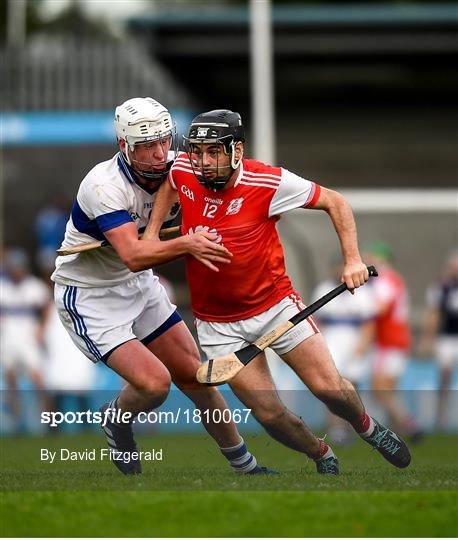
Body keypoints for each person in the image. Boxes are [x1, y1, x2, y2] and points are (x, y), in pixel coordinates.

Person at [144, 109, 412, 473]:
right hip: (219, 326)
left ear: (237, 150)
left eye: (214, 152)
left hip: (277, 309)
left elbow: (335, 201)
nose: (204, 162)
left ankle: (366, 427)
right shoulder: (183, 169)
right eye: (198, 152)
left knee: (328, 389)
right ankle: (321, 453)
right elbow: (171, 183)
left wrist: (352, 259)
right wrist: (152, 231)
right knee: (269, 414)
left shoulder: (267, 182)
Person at [52, 97, 270, 475]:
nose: (159, 153)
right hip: (89, 296)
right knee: (155, 386)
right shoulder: (104, 186)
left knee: (194, 374)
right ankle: (116, 418)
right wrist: (188, 242)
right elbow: (135, 255)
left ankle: (246, 467)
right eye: (147, 146)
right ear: (124, 146)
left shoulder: (179, 166)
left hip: (137, 285)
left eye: (164, 141)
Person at [311, 258, 376, 444]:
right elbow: (319, 321)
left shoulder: (363, 291)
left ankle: (354, 425)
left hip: (354, 339)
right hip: (331, 339)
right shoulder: (324, 289)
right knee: (332, 386)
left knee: (352, 384)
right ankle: (335, 426)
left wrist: (363, 344)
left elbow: (368, 322)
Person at [364, 242, 422, 440]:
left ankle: (408, 424)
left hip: (389, 341)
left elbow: (379, 308)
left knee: (380, 388)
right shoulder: (392, 279)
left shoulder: (385, 279)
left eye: (371, 256)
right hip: (393, 340)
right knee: (384, 389)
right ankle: (398, 431)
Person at [1, 248, 51, 432]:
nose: (17, 271)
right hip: (8, 338)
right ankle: (16, 420)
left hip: (28, 337)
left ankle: (48, 419)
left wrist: (42, 329)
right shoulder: (3, 287)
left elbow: (46, 306)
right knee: (10, 377)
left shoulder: (33, 286)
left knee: (37, 377)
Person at [418, 250, 458, 431]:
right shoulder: (442, 287)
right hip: (447, 337)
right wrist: (428, 338)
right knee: (445, 376)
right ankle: (440, 417)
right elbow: (433, 313)